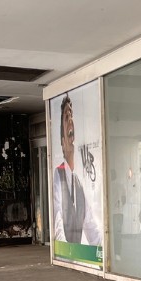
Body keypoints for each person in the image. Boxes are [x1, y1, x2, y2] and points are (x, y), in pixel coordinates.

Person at [52, 94, 101, 245]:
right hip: (67, 255)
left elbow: (90, 224)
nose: (70, 119)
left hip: (75, 256)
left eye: (71, 115)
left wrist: (103, 250)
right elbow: (57, 215)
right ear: (62, 141)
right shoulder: (58, 174)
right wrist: (63, 248)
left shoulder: (78, 182)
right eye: (66, 117)